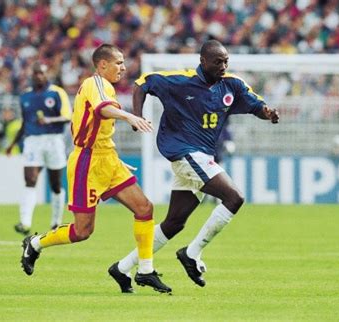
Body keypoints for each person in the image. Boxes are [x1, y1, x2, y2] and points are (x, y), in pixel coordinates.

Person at [117, 40, 280, 287]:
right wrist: (136, 117)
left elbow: (256, 105)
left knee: (174, 223)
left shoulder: (232, 85)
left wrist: (267, 114)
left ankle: (122, 267)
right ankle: (191, 253)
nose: (223, 66)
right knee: (234, 197)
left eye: (226, 61)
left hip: (200, 156)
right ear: (203, 61)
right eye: (218, 61)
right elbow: (143, 83)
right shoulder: (180, 81)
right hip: (185, 152)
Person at [20, 44, 172, 294]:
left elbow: (100, 123)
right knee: (82, 231)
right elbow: (104, 109)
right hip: (86, 163)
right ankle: (35, 244)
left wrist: (114, 156)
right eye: (118, 62)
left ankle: (145, 271)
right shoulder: (96, 83)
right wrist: (130, 116)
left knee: (144, 208)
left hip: (108, 159)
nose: (123, 67)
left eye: (123, 63)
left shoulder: (106, 86)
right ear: (103, 65)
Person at [7, 62, 71, 235]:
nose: (38, 76)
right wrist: (13, 144)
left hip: (54, 140)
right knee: (30, 179)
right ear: (31, 75)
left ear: (46, 74)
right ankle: (24, 222)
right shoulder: (25, 96)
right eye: (35, 73)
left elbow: (67, 117)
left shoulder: (57, 92)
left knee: (55, 184)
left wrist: (49, 120)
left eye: (41, 73)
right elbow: (24, 123)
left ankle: (56, 222)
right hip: (32, 141)